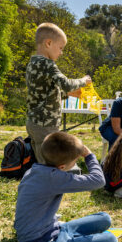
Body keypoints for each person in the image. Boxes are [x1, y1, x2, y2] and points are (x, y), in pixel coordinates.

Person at [14, 132, 117, 242]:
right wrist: (89, 156)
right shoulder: (55, 178)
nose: (75, 163)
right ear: (62, 167)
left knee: (104, 218)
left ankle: (69, 237)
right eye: (75, 161)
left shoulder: (35, 170)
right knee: (111, 241)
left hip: (52, 228)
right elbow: (99, 180)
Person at [26, 23, 91, 164]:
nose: (61, 53)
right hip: (46, 124)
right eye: (60, 48)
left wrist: (70, 95)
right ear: (48, 43)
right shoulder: (47, 64)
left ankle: (40, 184)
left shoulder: (33, 63)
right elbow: (67, 84)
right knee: (49, 165)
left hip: (34, 122)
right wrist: (84, 80)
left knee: (41, 162)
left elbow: (44, 92)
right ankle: (49, 185)